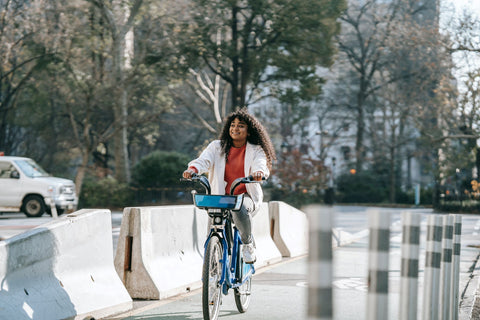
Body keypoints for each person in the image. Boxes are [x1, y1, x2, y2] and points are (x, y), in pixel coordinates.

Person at [183, 108, 276, 263]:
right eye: (232, 125)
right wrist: (193, 169)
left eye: (241, 126)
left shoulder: (256, 149)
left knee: (240, 207)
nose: (235, 128)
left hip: (244, 195)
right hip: (221, 196)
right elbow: (204, 161)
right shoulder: (216, 146)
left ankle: (247, 244)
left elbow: (261, 164)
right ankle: (215, 258)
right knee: (215, 228)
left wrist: (259, 172)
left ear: (249, 131)